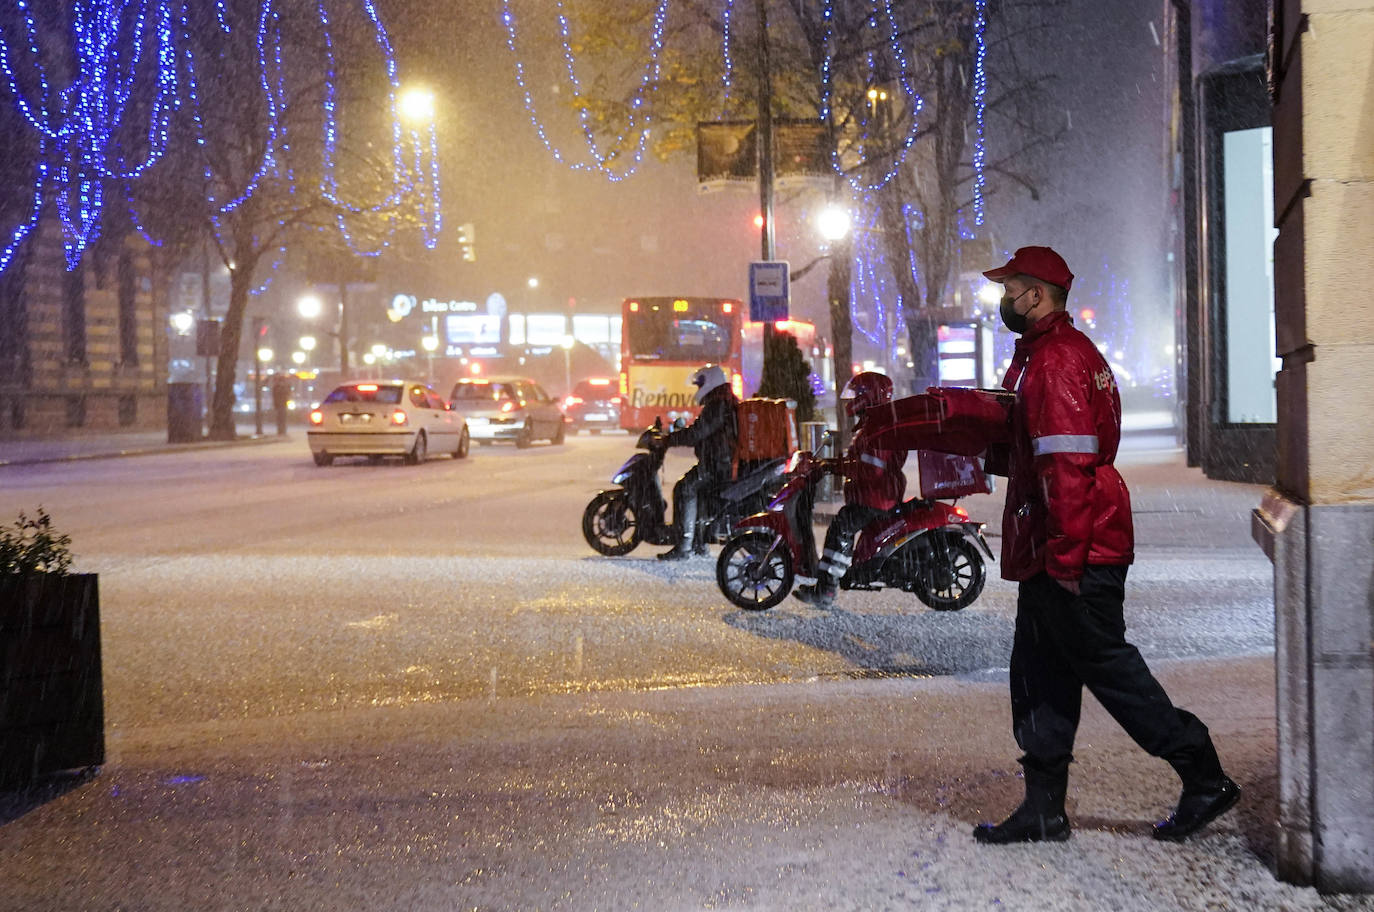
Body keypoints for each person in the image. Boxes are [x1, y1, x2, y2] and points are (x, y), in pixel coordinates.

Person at [971, 245, 1239, 845]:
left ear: (1036, 295)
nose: (1003, 301)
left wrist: (1064, 560)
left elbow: (1066, 465)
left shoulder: (1057, 362)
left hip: (1074, 547)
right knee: (1040, 672)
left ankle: (1203, 775)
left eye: (1009, 289)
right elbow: (1038, 448)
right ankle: (1044, 808)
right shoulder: (1055, 354)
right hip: (1058, 544)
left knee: (1109, 669)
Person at [794, 371, 908, 609]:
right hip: (875, 494)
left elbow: (869, 470)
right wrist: (831, 465)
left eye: (857, 394)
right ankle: (831, 581)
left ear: (870, 396)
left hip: (877, 497)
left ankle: (826, 589)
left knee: (841, 526)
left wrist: (832, 467)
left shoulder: (878, 427)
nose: (851, 399)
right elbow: (860, 463)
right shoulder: (873, 423)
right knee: (843, 522)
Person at [657, 364, 739, 561]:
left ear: (709, 382)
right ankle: (699, 543)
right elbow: (701, 430)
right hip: (722, 460)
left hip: (718, 463)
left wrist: (669, 440)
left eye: (699, 384)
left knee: (684, 489)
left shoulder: (718, 404)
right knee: (699, 495)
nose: (697, 389)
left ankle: (684, 545)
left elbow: (698, 432)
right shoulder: (723, 400)